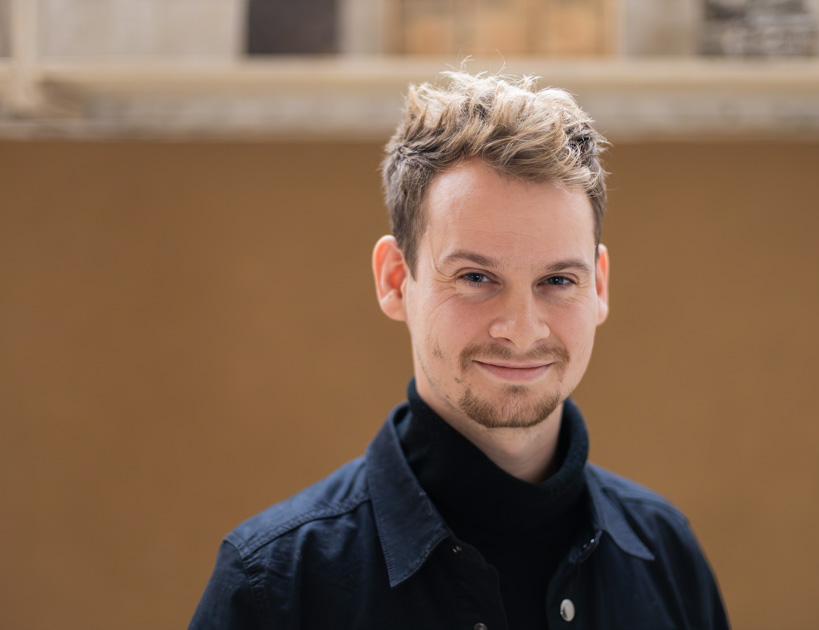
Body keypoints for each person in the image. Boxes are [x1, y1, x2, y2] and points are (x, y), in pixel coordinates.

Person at [189, 71, 729, 630]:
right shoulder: (275, 587)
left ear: (600, 286)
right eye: (475, 277)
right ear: (395, 279)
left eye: (558, 281)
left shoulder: (669, 557)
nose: (522, 332)